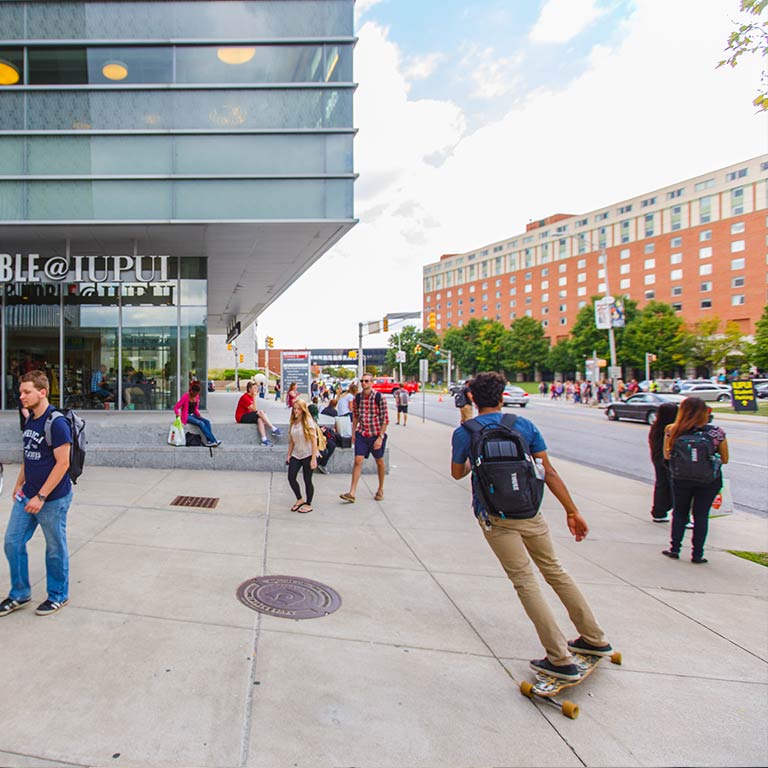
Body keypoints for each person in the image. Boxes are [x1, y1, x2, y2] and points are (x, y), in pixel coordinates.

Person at [450, 371, 613, 681]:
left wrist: (472, 441)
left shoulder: (465, 432)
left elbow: (458, 472)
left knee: (525, 581)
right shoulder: (523, 426)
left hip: (495, 517)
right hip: (530, 512)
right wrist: (572, 511)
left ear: (471, 398)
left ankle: (559, 658)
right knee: (555, 571)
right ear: (502, 397)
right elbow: (547, 472)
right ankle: (593, 636)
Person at [1, 370, 74, 617]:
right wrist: (19, 483)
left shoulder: (57, 423)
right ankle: (20, 593)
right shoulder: (31, 419)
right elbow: (29, 454)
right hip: (28, 494)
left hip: (52, 499)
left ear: (42, 392)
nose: (21, 396)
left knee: (54, 547)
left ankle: (58, 595)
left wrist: (41, 496)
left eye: (26, 392)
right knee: (12, 542)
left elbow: (63, 464)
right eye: (20, 392)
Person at [662, 396, 728, 564]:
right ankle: (697, 554)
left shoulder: (672, 429)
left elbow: (667, 455)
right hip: (708, 480)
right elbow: (725, 459)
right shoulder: (716, 432)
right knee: (701, 515)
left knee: (679, 513)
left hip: (681, 478)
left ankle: (675, 548)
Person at [340, 374, 388, 503]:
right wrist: (354, 432)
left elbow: (385, 419)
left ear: (372, 382)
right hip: (362, 433)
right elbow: (355, 416)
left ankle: (380, 489)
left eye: (366, 381)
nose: (364, 383)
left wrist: (380, 437)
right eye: (362, 381)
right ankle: (352, 492)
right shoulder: (358, 398)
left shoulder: (379, 397)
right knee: (358, 460)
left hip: (376, 433)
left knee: (379, 461)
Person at [285, 399, 319, 514]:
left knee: (307, 479)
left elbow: (314, 441)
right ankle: (299, 499)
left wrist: (314, 459)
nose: (296, 411)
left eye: (298, 409)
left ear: (303, 410)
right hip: (296, 453)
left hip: (308, 453)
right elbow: (292, 441)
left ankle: (309, 503)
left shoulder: (308, 422)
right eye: (294, 408)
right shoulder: (293, 422)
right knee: (291, 477)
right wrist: (289, 454)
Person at [648, 402, 679, 523]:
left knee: (661, 484)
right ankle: (678, 513)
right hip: (669, 458)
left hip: (657, 458)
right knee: (675, 486)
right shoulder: (672, 428)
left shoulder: (656, 427)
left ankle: (659, 512)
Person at [174, 381, 221, 447]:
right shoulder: (185, 396)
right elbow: (176, 407)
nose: (196, 395)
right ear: (192, 391)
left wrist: (199, 415)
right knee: (200, 423)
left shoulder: (197, 397)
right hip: (186, 416)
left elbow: (195, 408)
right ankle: (213, 440)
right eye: (195, 393)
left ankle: (209, 441)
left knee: (207, 422)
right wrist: (177, 414)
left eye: (197, 394)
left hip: (193, 415)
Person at [234, 382, 282, 446]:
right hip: (241, 417)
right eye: (254, 388)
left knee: (260, 419)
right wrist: (254, 397)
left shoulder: (250, 396)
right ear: (249, 389)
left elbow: (254, 410)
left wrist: (253, 397)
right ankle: (273, 428)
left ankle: (264, 439)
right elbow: (254, 409)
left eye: (256, 388)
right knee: (261, 412)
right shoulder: (245, 397)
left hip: (247, 415)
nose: (256, 389)